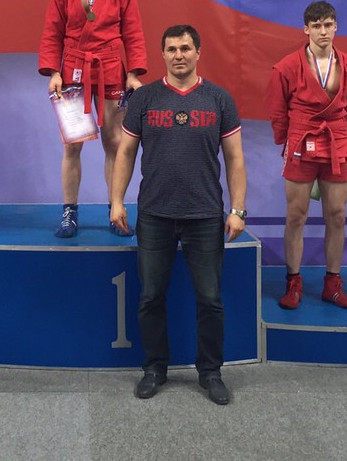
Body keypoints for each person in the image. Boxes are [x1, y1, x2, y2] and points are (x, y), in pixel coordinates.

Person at [109, 24, 247, 406]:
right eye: (171, 49)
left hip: (205, 216)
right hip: (154, 214)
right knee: (151, 297)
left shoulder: (219, 99)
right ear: (163, 54)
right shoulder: (145, 98)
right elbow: (125, 153)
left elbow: (235, 159)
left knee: (210, 299)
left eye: (185, 48)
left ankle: (211, 372)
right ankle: (155, 369)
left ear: (198, 52)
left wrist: (237, 210)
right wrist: (116, 201)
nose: (178, 55)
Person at [38, 0, 147, 238]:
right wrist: (53, 72)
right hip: (73, 69)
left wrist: (133, 73)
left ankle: (116, 208)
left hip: (110, 68)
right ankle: (69, 213)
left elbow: (134, 33)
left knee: (114, 143)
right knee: (72, 145)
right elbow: (52, 33)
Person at [265, 1, 347, 311]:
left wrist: (341, 137)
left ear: (336, 27)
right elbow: (277, 111)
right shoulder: (286, 67)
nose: (323, 31)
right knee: (296, 215)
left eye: (328, 24)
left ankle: (333, 284)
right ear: (306, 29)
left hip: (336, 140)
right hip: (301, 141)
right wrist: (287, 141)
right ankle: (293, 281)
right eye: (317, 25)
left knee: (337, 215)